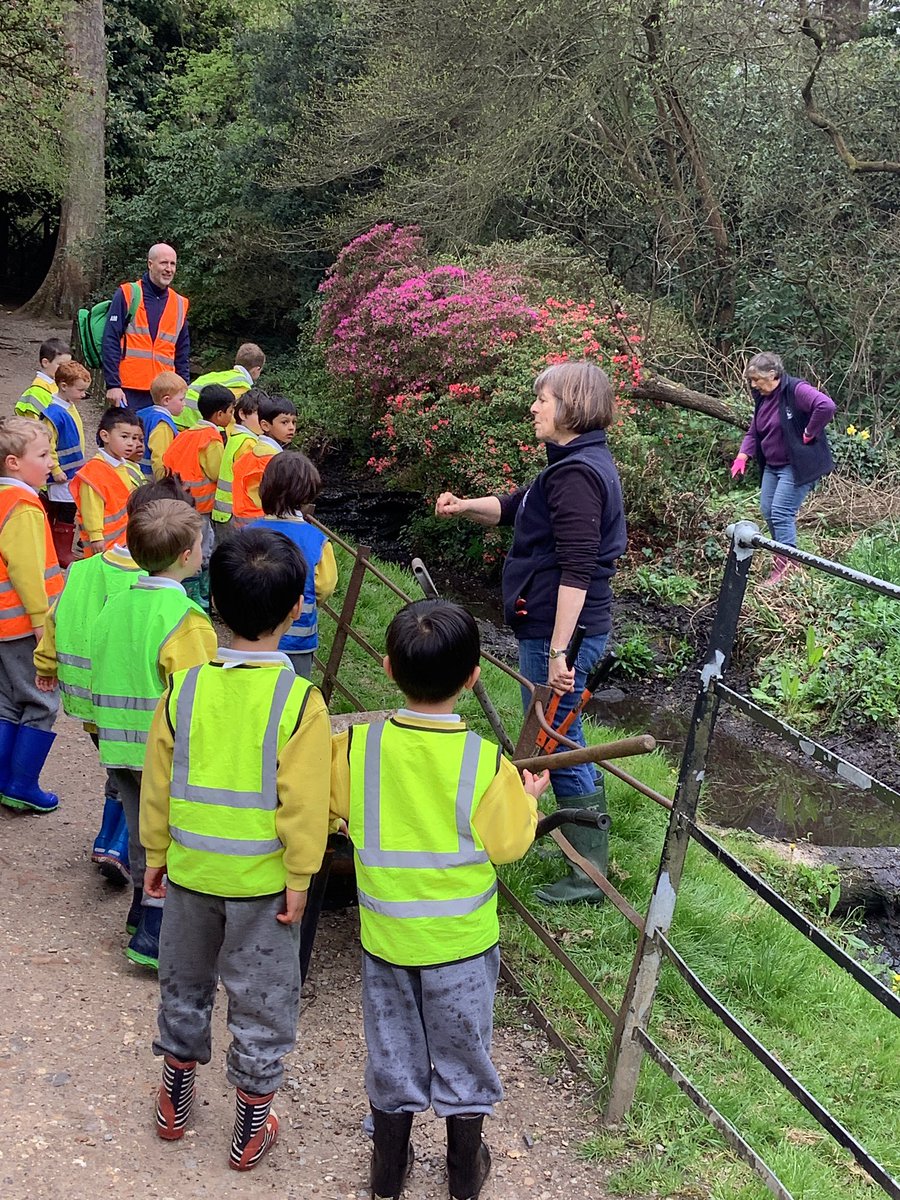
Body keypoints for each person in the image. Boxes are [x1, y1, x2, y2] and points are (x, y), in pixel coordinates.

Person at [329, 599, 546, 1200]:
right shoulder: (485, 763)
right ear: (475, 677)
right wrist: (527, 798)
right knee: (463, 1051)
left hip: (387, 940)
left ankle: (388, 1174)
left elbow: (336, 809)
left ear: (388, 668)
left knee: (393, 1050)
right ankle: (462, 1173)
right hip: (462, 945)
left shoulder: (356, 748)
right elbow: (508, 845)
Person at [141, 528, 332, 1171]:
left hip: (191, 872)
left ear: (213, 606)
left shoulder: (185, 689)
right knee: (261, 995)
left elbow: (159, 782)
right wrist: (302, 874)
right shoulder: (300, 700)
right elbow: (304, 800)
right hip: (264, 886)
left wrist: (156, 854)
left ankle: (175, 1095)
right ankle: (252, 1118)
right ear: (296, 608)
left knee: (185, 983)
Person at [435, 359, 627, 905]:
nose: (534, 407)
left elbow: (579, 567)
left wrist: (561, 651)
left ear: (573, 405)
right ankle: (574, 838)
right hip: (552, 627)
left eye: (543, 399)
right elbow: (517, 506)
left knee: (557, 737)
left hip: (559, 630)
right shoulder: (567, 464)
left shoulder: (577, 475)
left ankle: (588, 871)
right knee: (561, 732)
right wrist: (464, 505)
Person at [34, 478, 195, 903]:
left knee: (120, 776)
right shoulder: (155, 598)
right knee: (148, 795)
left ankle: (111, 841)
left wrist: (46, 664)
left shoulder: (87, 571)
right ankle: (134, 870)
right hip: (146, 719)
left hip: (96, 707)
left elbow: (56, 619)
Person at [89, 499, 216, 968]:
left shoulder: (115, 605)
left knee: (142, 831)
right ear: (187, 555)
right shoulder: (184, 618)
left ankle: (140, 910)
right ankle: (156, 936)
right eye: (201, 544)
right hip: (164, 750)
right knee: (169, 835)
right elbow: (200, 695)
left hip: (117, 744)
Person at [0, 418, 64, 814]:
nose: (50, 462)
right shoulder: (24, 507)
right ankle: (22, 785)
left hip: (4, 626)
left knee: (7, 701)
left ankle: (6, 778)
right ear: (13, 463)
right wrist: (44, 625)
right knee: (42, 701)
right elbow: (25, 572)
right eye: (42, 455)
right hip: (25, 625)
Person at [731, 351, 836, 586]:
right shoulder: (762, 397)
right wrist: (742, 455)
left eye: (757, 379)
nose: (753, 384)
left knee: (781, 512)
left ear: (773, 374)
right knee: (768, 509)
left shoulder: (795, 390)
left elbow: (826, 406)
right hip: (773, 465)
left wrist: (810, 431)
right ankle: (784, 557)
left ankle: (787, 566)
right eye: (751, 379)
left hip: (796, 466)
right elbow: (754, 431)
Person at [249, 451, 338, 677]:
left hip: (250, 632)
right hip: (298, 638)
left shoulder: (246, 533)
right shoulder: (317, 540)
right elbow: (325, 587)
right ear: (308, 492)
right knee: (293, 697)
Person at [163, 383, 235, 610]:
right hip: (201, 505)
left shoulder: (187, 433)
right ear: (220, 413)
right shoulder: (211, 438)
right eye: (231, 412)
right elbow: (215, 471)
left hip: (179, 500)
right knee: (202, 548)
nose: (232, 417)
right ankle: (198, 598)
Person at [102, 243, 190, 412]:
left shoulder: (180, 303)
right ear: (150, 264)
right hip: (129, 390)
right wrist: (113, 384)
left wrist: (182, 386)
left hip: (164, 392)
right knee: (125, 436)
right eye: (164, 263)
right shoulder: (128, 293)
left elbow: (182, 351)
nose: (169, 269)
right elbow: (110, 339)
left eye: (173, 264)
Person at [29, 360, 89, 567]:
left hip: (70, 471)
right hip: (62, 474)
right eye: (80, 390)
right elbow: (48, 443)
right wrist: (55, 468)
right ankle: (60, 551)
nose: (83, 394)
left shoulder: (68, 407)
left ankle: (55, 549)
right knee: (65, 510)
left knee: (63, 509)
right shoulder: (54, 413)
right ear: (64, 386)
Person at [70, 408, 143, 557]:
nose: (131, 444)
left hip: (120, 539)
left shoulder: (122, 465)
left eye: (135, 438)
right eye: (124, 437)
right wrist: (96, 536)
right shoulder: (94, 471)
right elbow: (91, 507)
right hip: (102, 542)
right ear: (105, 436)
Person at [232, 394, 296, 524]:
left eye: (294, 422)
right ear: (265, 425)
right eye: (284, 422)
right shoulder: (272, 460)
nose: (291, 427)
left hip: (243, 520)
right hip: (260, 522)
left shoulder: (254, 453)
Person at [176, 343, 267, 430]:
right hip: (191, 421)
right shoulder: (242, 387)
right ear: (257, 369)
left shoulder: (220, 376)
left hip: (178, 415)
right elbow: (230, 418)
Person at [211, 388, 263, 541]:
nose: (263, 421)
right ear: (242, 414)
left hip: (224, 511)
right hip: (236, 514)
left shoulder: (235, 436)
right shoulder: (249, 443)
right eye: (258, 415)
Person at [139, 372, 187, 478]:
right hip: (150, 477)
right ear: (166, 400)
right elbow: (160, 458)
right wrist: (164, 482)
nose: (184, 404)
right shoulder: (163, 424)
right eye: (181, 399)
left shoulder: (145, 413)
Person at [15, 338, 72, 420]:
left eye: (68, 365)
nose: (66, 369)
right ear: (45, 362)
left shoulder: (56, 385)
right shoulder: (36, 392)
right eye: (60, 365)